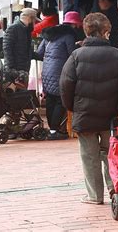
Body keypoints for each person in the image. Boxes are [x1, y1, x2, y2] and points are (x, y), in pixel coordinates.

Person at [60, 12, 118, 204]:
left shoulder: (76, 56)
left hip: (84, 115)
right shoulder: (117, 56)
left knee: (89, 156)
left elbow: (65, 85)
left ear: (86, 32)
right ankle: (115, 189)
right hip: (111, 116)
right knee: (111, 153)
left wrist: (72, 107)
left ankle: (94, 195)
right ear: (106, 32)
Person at [37, 12, 78, 140]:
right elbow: (73, 55)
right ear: (74, 24)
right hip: (60, 71)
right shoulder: (69, 36)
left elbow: (39, 53)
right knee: (60, 100)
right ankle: (54, 131)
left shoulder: (48, 35)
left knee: (50, 100)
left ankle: (52, 129)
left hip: (47, 70)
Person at [3, 8, 38, 86]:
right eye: (34, 20)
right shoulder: (13, 28)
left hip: (23, 69)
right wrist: (10, 69)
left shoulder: (26, 30)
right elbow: (7, 48)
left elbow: (27, 50)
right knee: (14, 95)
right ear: (30, 18)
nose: (34, 23)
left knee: (21, 95)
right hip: (15, 70)